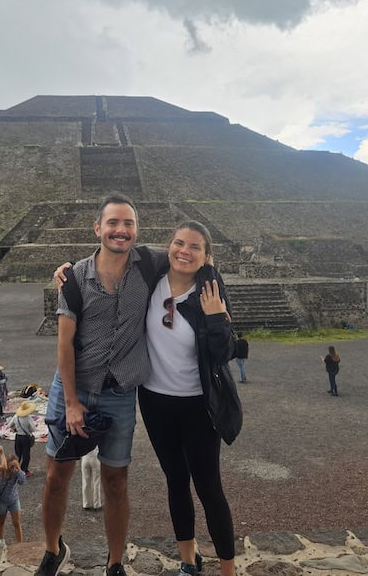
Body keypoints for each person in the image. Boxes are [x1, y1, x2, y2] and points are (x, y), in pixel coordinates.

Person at [39, 194, 160, 576]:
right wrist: (72, 402)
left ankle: (115, 561)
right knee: (57, 475)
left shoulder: (150, 265)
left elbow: (191, 254)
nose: (121, 230)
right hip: (73, 387)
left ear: (136, 231)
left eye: (128, 224)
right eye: (113, 223)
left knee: (116, 480)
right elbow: (63, 343)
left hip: (121, 391)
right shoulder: (74, 278)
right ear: (97, 228)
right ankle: (52, 548)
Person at [138, 221, 237, 576]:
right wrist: (70, 271)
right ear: (169, 247)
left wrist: (215, 319)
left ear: (206, 256)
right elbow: (111, 253)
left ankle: (227, 569)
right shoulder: (150, 278)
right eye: (179, 243)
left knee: (209, 487)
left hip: (198, 404)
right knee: (175, 480)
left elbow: (224, 354)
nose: (184, 251)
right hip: (154, 401)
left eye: (194, 247)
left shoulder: (209, 294)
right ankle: (188, 561)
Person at [0, 457, 27, 544]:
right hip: (1, 501)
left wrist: (19, 469)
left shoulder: (16, 473)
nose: (13, 468)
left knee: (17, 523)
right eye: (11, 465)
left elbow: (22, 481)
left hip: (13, 500)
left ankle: (20, 544)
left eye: (14, 466)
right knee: (1, 522)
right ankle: (1, 540)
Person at [8, 401, 36, 476]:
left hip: (18, 437)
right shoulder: (28, 418)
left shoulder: (16, 416)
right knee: (26, 455)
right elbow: (33, 429)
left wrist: (15, 429)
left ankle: (15, 468)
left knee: (18, 454)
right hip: (25, 438)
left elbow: (9, 425)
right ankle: (24, 470)